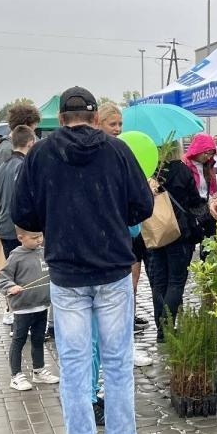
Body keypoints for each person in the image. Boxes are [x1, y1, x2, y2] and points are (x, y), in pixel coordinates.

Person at [12, 86, 155, 434]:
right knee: (117, 362)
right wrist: (110, 211)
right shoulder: (117, 150)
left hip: (67, 273)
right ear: (94, 117)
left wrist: (57, 211)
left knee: (74, 367)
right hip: (112, 270)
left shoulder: (41, 153)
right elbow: (143, 205)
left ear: (61, 118)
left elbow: (24, 213)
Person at [140, 143, 206, 339]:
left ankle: (161, 328)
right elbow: (194, 200)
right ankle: (168, 328)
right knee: (176, 282)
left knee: (158, 281)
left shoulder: (150, 171)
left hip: (157, 231)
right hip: (179, 231)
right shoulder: (182, 170)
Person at [97, 103, 150, 336]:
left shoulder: (122, 151)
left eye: (120, 124)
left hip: (124, 235)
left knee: (126, 291)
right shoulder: (106, 155)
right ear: (99, 122)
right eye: (113, 124)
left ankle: (124, 336)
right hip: (111, 238)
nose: (118, 129)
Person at [0, 228, 60, 391]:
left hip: (42, 306)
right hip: (23, 309)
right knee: (19, 341)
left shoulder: (44, 252)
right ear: (20, 238)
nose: (39, 240)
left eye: (40, 236)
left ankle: (38, 371)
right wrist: (11, 287)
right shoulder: (16, 256)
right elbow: (3, 279)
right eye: (34, 237)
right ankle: (16, 375)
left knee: (38, 340)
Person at [0, 125, 36, 259]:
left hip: (4, 225)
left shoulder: (4, 165)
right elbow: (23, 198)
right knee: (24, 274)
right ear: (31, 143)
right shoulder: (23, 166)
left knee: (12, 269)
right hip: (19, 229)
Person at [0, 102, 41, 177]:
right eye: (34, 126)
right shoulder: (6, 149)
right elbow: (0, 183)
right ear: (25, 125)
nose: (34, 129)